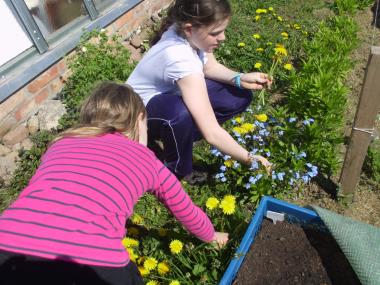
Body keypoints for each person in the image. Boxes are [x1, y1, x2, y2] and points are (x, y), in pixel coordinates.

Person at [0, 82, 228, 285]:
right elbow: (184, 208)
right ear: (140, 120)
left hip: (7, 244)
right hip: (92, 260)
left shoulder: (60, 143)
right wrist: (211, 236)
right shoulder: (146, 159)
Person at [127, 0, 273, 184]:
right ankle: (179, 170)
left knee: (238, 96)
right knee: (177, 114)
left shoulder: (188, 32)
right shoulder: (180, 58)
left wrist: (240, 78)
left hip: (165, 97)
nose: (223, 38)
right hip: (135, 114)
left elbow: (209, 67)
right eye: (215, 33)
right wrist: (249, 158)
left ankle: (181, 136)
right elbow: (212, 132)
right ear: (189, 29)